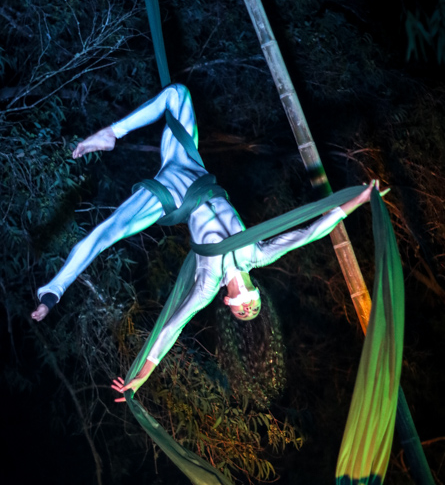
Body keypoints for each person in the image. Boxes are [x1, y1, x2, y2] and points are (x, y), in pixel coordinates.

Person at [30, 84, 375, 400]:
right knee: (177, 93)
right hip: (192, 167)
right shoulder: (258, 254)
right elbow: (309, 232)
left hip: (173, 198)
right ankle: (110, 134)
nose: (248, 309)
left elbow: (173, 326)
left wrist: (142, 377)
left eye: (243, 313)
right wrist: (357, 200)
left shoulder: (208, 284)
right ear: (259, 296)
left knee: (105, 234)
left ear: (228, 305)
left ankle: (51, 292)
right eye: (254, 309)